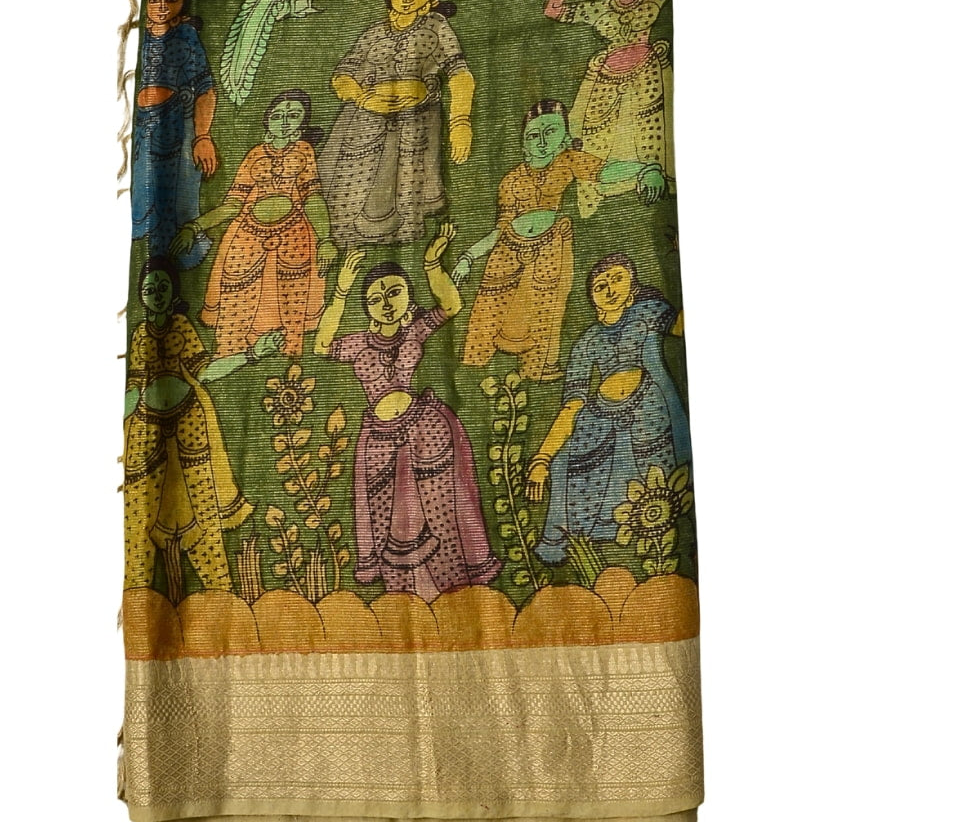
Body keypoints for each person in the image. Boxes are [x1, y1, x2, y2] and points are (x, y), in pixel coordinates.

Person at [314, 225, 501, 601]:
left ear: (408, 296)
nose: (386, 303)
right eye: (375, 298)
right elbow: (321, 344)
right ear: (367, 309)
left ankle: (453, 590)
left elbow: (451, 306)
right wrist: (342, 290)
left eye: (394, 292)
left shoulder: (415, 331)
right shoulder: (357, 344)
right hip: (380, 442)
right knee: (389, 520)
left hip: (426, 431)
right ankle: (405, 596)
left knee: (440, 510)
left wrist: (432, 263)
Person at [454, 100, 663, 382]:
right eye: (533, 135)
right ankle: (474, 364)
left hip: (550, 246)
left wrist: (645, 170)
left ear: (565, 136)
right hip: (507, 249)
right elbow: (500, 229)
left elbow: (604, 171)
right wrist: (468, 257)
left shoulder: (567, 161)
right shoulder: (511, 180)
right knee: (489, 304)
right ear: (523, 143)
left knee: (546, 305)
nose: (541, 142)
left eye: (550, 132)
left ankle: (536, 369)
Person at [123, 258, 277, 594]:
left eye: (163, 286)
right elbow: (133, 388)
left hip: (190, 430)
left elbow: (206, 371)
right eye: (149, 289)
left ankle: (220, 593)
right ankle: (140, 592)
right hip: (146, 435)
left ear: (174, 290)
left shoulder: (181, 326)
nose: (157, 294)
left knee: (204, 512)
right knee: (139, 516)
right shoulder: (139, 334)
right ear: (140, 295)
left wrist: (252, 354)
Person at [525, 253, 691, 566]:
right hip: (597, 420)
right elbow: (571, 406)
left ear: (632, 287)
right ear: (592, 298)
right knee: (563, 462)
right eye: (600, 286)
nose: (610, 289)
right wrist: (542, 459)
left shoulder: (647, 313)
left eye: (617, 279)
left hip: (647, 410)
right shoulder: (587, 342)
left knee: (656, 487)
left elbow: (683, 327)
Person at [317, 0, 475, 247]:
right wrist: (360, 96)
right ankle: (342, 244)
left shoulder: (436, 26)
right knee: (352, 185)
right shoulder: (375, 33)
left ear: (432, 0)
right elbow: (343, 74)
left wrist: (460, 122)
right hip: (364, 120)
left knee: (402, 186)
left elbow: (459, 74)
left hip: (415, 121)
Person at [171, 90, 336, 361]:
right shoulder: (255, 154)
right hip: (246, 237)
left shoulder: (304, 151)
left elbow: (312, 198)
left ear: (303, 123)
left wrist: (326, 239)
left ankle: (288, 360)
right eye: (278, 115)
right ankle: (230, 355)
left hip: (294, 237)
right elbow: (233, 204)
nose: (284, 121)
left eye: (294, 115)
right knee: (236, 295)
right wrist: (195, 227)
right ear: (267, 120)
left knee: (291, 299)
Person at [539, 0, 671, 217]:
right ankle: (597, 203)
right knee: (593, 138)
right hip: (605, 80)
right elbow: (554, 10)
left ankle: (652, 195)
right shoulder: (601, 8)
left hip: (646, 75)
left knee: (649, 136)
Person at [131, 0, 220, 267]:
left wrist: (203, 136)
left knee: (178, 204)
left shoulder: (186, 36)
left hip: (178, 129)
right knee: (144, 201)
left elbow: (206, 90)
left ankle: (181, 269)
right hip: (144, 132)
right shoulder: (139, 36)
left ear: (183, 2)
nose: (162, 6)